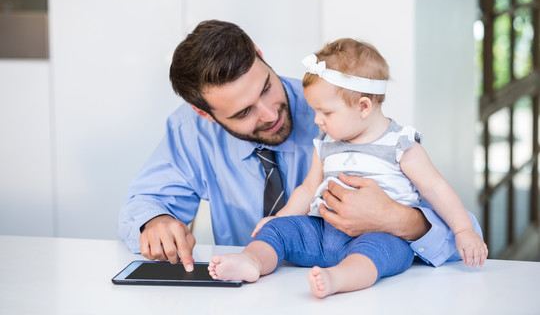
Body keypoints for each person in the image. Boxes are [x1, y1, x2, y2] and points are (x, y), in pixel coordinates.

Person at [117, 20, 483, 274]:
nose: (269, 113)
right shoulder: (190, 131)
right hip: (258, 294)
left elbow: (466, 233)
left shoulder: (338, 106)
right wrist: (157, 221)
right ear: (205, 113)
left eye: (266, 88)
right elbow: (142, 204)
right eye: (244, 112)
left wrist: (398, 220)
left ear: (260, 53)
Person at [207, 38, 488, 298]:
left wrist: (463, 230)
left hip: (379, 236)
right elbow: (307, 190)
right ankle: (252, 260)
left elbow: (436, 187)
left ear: (364, 107)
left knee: (377, 253)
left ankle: (337, 279)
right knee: (279, 231)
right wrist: (279, 218)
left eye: (326, 112)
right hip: (322, 231)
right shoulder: (326, 143)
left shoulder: (400, 145)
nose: (317, 120)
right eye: (315, 111)